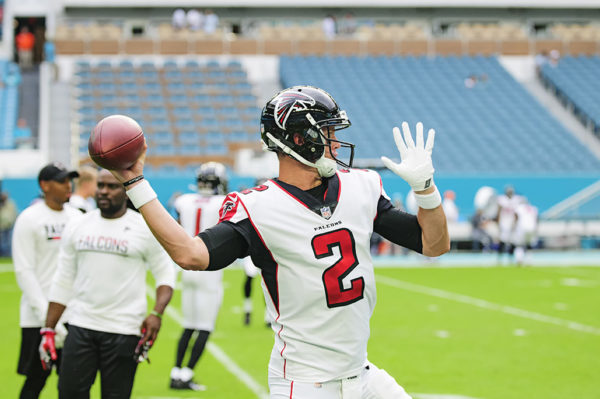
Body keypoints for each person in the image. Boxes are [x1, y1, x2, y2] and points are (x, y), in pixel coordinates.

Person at [107, 85, 449, 398]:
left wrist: (426, 190)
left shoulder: (361, 187)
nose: (335, 141)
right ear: (299, 139)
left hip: (362, 373)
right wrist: (135, 182)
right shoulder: (258, 208)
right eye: (327, 132)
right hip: (305, 383)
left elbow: (434, 245)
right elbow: (190, 254)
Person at [40, 169, 175, 398]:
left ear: (125, 191)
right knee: (69, 393)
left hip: (124, 329)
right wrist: (48, 329)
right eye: (100, 186)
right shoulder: (78, 225)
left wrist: (157, 314)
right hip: (81, 325)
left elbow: (165, 274)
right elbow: (63, 278)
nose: (103, 191)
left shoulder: (144, 227)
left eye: (112, 187)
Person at [12, 162, 80, 399]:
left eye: (69, 180)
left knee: (75, 384)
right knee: (35, 382)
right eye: (62, 181)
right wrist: (48, 321)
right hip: (37, 318)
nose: (68, 185)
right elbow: (24, 271)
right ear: (45, 185)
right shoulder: (29, 219)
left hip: (73, 316)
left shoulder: (77, 217)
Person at [169, 162, 228, 391]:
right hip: (209, 268)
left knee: (188, 325)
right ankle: (186, 374)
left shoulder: (184, 200)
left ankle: (176, 372)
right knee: (204, 326)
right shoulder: (223, 202)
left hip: (186, 268)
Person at [496, 185, 522, 263]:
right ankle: (500, 258)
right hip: (504, 222)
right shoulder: (502, 199)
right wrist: (498, 222)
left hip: (512, 223)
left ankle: (511, 257)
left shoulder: (516, 200)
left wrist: (516, 223)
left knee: (512, 241)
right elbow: (499, 211)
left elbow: (517, 213)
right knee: (502, 240)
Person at [513, 198, 538, 266]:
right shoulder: (533, 208)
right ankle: (529, 261)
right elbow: (536, 219)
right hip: (532, 228)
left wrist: (514, 227)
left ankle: (519, 260)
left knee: (519, 244)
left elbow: (516, 217)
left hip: (522, 227)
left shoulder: (519, 207)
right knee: (529, 245)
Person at [0, 190, 18, 256]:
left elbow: (13, 213)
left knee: (9, 242)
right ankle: (3, 255)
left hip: (9, 225)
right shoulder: (1, 204)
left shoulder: (10, 203)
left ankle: (8, 255)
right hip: (2, 226)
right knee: (3, 242)